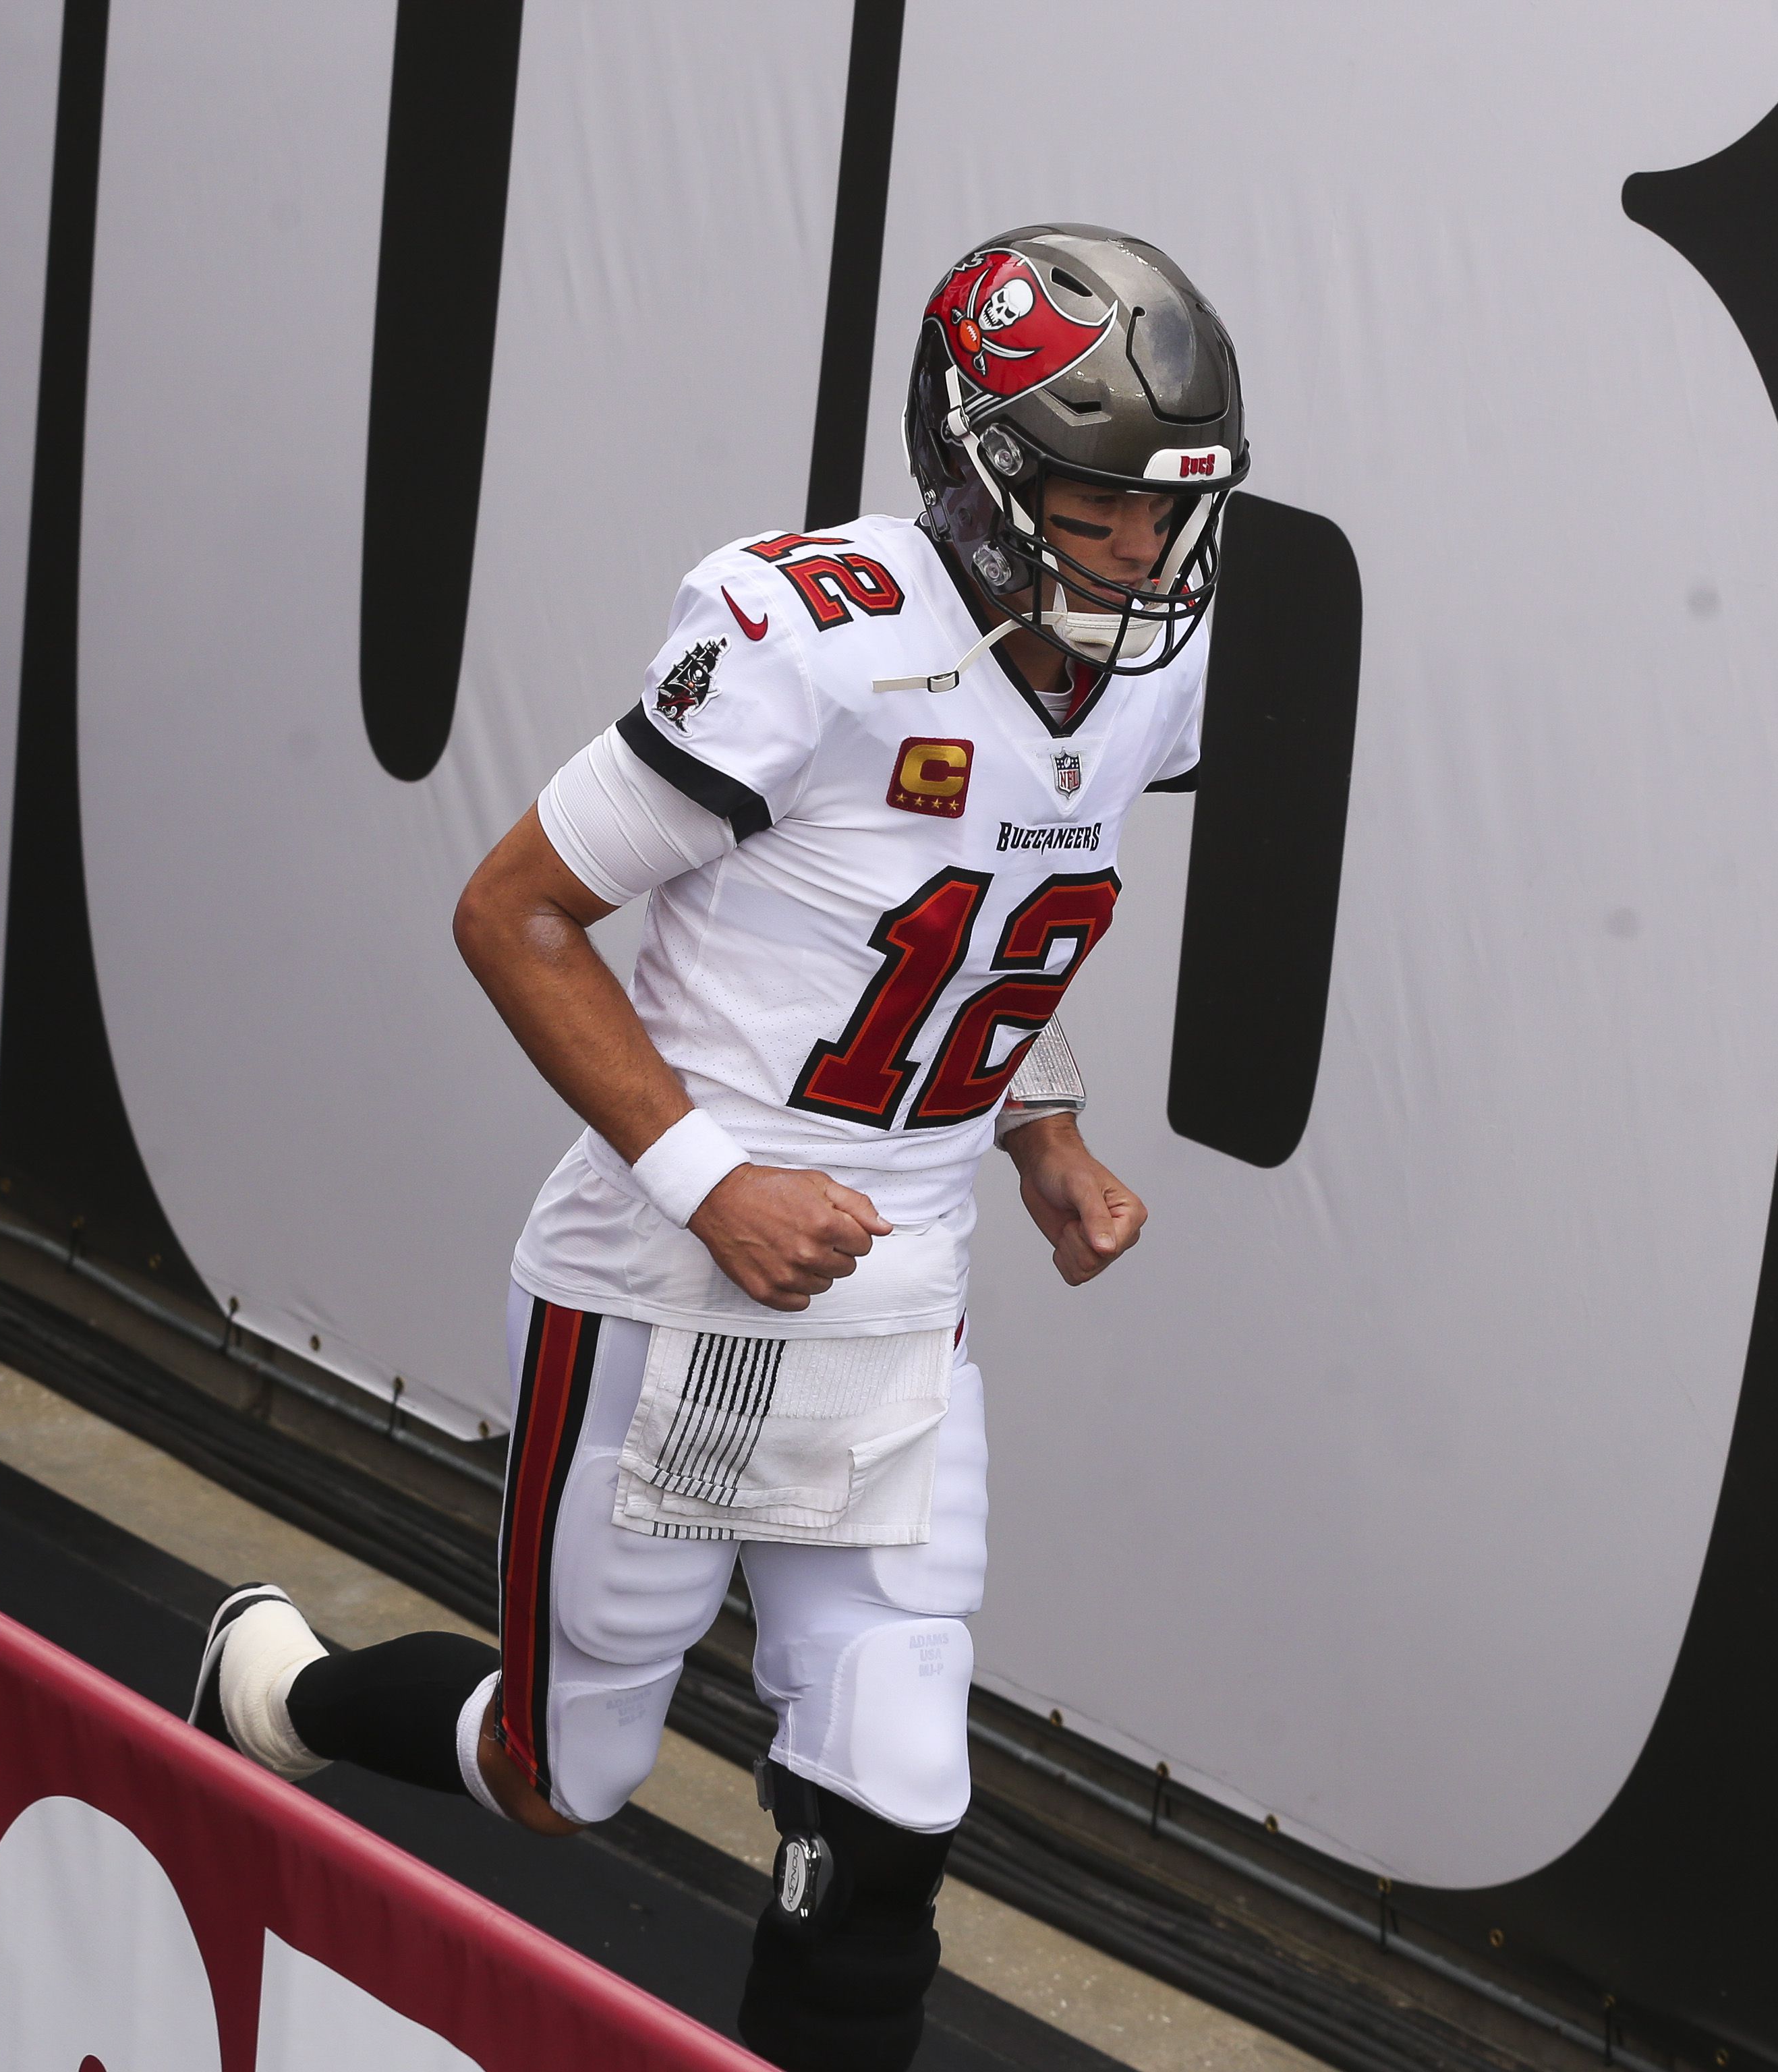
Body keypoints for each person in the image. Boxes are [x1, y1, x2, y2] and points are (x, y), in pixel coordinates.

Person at [193, 225, 1246, 2067]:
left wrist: (1043, 1132)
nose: (1144, 558)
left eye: (1166, 515)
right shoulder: (804, 638)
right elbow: (512, 913)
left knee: (894, 1778)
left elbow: (981, 921)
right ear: (985, 481)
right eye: (1098, 511)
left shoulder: (1152, 667)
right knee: (565, 1769)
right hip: (672, 1275)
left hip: (898, 1278)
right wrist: (713, 1186)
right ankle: (282, 1691)